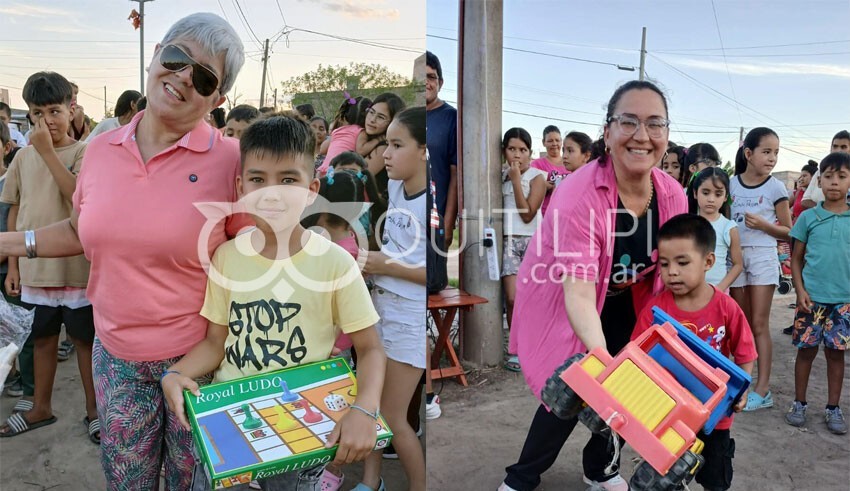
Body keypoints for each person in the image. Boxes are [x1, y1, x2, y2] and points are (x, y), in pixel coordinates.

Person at [0, 13, 246, 489]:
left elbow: (256, 259)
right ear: (156, 55)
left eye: (203, 77)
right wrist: (9, 244)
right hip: (115, 358)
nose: (181, 78)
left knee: (188, 482)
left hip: (200, 363)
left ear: (217, 98)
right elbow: (81, 229)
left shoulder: (231, 163)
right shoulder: (101, 150)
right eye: (176, 59)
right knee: (127, 481)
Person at [158, 116, 386, 491]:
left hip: (302, 428)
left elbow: (371, 348)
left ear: (311, 189)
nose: (272, 193)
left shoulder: (335, 263)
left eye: (288, 180)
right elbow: (217, 342)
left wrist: (364, 409)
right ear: (240, 186)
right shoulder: (227, 258)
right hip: (231, 424)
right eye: (258, 179)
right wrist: (175, 373)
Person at [500, 80, 687, 491]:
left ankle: (600, 468)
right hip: (569, 296)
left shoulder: (672, 194)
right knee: (571, 387)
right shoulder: (578, 194)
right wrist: (604, 362)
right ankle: (521, 478)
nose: (642, 135)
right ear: (607, 131)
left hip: (630, 299)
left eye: (655, 124)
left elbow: (674, 271)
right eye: (629, 122)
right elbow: (581, 294)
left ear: (667, 134)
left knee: (630, 386)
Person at [0, 71, 98, 445]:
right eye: (37, 113)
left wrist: (45, 150)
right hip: (35, 270)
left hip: (76, 269)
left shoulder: (85, 152)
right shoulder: (23, 158)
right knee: (40, 340)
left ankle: (94, 411)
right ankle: (40, 406)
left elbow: (80, 200)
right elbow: (15, 210)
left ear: (72, 109)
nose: (46, 121)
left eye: (54, 111)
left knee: (83, 341)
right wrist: (13, 265)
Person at [631, 214, 756, 491]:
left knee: (716, 479)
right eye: (664, 264)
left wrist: (742, 390)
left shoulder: (726, 307)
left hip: (716, 419)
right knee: (665, 480)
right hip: (669, 418)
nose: (671, 271)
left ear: (708, 262)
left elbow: (745, 353)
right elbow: (636, 358)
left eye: (682, 262)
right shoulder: (655, 311)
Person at [358, 107, 427, 491]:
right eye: (387, 143)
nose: (386, 153)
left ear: (425, 151)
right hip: (380, 306)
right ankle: (371, 483)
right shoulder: (397, 185)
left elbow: (427, 273)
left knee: (393, 416)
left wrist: (384, 264)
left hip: (410, 317)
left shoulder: (430, 203)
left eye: (397, 145)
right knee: (367, 403)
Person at [786, 151, 850, 435]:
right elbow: (796, 259)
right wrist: (799, 291)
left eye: (842, 176)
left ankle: (833, 408)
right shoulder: (808, 218)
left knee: (836, 356)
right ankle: (799, 403)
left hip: (843, 301)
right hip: (811, 300)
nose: (834, 182)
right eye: (828, 176)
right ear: (819, 181)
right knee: (806, 351)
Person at [728, 127, 791, 412]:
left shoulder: (776, 187)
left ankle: (763, 389)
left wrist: (764, 226)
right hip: (736, 258)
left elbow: (788, 231)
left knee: (759, 324)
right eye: (767, 151)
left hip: (764, 258)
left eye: (776, 152)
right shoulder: (731, 184)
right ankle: (741, 383)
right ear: (749, 153)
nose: (772, 158)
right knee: (741, 324)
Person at [501, 127, 546, 373]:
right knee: (512, 298)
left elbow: (527, 214)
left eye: (522, 150)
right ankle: (516, 349)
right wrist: (509, 177)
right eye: (511, 149)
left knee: (534, 299)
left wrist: (517, 181)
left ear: (529, 152)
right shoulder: (499, 176)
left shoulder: (538, 177)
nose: (517, 155)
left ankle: (534, 346)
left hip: (532, 242)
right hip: (508, 242)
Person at [688, 167, 743, 292]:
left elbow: (738, 264)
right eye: (706, 193)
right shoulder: (686, 224)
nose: (711, 199)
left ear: (725, 197)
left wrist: (720, 288)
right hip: (688, 290)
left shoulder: (728, 227)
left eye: (718, 194)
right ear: (695, 193)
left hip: (717, 293)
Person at [425, 51, 458, 253]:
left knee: (433, 282)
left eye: (431, 77)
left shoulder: (451, 118)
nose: (425, 82)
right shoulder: (407, 116)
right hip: (405, 215)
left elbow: (455, 174)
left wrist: (448, 223)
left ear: (440, 82)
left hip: (434, 219)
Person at [362, 93, 406, 198]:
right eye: (371, 112)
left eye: (381, 117)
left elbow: (357, 176)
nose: (372, 119)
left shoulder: (385, 148)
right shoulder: (366, 138)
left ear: (392, 122)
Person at [319, 95, 373, 176]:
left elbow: (322, 149)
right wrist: (378, 140)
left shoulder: (338, 130)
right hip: (341, 172)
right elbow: (361, 150)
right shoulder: (361, 132)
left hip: (324, 171)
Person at [801, 130, 850, 210]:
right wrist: (825, 211)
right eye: (835, 146)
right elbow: (805, 201)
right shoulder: (820, 172)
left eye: (843, 147)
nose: (838, 150)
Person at [530, 126, 563, 216]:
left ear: (561, 141)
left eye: (557, 140)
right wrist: (543, 185)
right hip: (545, 215)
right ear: (543, 142)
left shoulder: (571, 162)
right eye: (550, 141)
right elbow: (528, 185)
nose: (554, 143)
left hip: (568, 215)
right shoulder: (537, 164)